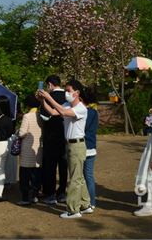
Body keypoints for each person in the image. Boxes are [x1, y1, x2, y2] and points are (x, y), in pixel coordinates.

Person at [38, 79, 91, 219]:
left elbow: (63, 112)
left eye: (68, 91)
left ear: (77, 93)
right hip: (70, 145)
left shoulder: (81, 108)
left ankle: (74, 210)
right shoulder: (67, 104)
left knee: (74, 178)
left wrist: (49, 97)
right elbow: (54, 112)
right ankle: (86, 204)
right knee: (78, 176)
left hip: (77, 145)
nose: (66, 93)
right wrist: (43, 101)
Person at [39, 75, 68, 205]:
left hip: (51, 137)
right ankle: (62, 192)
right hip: (65, 135)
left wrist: (42, 101)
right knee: (63, 166)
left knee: (50, 166)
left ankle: (50, 193)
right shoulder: (68, 96)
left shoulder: (49, 97)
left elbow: (45, 117)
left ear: (50, 84)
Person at [17, 95, 43, 205]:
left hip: (27, 148)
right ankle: (35, 195)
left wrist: (18, 131)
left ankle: (25, 198)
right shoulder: (41, 116)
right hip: (38, 148)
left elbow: (22, 133)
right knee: (36, 174)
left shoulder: (27, 116)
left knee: (25, 175)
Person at [82, 89, 99, 210]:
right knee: (88, 175)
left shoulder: (87, 112)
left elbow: (83, 128)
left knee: (86, 176)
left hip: (86, 146)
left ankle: (90, 201)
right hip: (91, 146)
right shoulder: (94, 111)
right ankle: (90, 201)